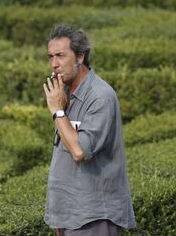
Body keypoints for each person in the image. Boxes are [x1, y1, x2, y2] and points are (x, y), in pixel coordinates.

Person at [42, 24, 136, 236]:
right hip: (69, 216)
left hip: (93, 218)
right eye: (50, 57)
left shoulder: (100, 97)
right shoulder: (64, 93)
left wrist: (57, 111)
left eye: (60, 56)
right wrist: (59, 218)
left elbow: (79, 151)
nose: (54, 64)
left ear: (80, 56)